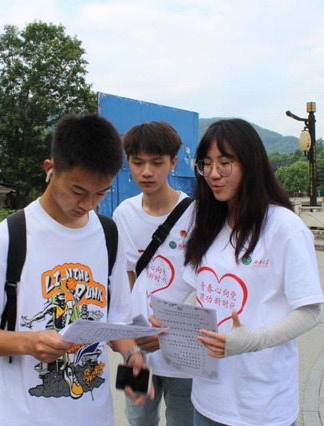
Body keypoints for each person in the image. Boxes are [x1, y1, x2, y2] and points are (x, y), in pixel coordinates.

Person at [0, 113, 148, 426]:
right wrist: (28, 343)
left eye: (100, 193)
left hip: (93, 416)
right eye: (77, 191)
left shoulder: (109, 235)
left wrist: (132, 355)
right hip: (20, 417)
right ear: (50, 169)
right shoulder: (7, 239)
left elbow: (116, 322)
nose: (87, 204)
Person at [182, 118, 324, 426]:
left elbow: (310, 311)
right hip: (206, 397)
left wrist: (254, 340)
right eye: (206, 164)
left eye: (225, 163)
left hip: (262, 405)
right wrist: (175, 324)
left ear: (251, 165)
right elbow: (199, 294)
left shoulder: (284, 228)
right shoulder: (207, 223)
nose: (214, 174)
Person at [112, 121, 195, 426]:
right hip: (137, 346)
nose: (147, 172)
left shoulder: (197, 214)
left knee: (184, 421)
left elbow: (203, 286)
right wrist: (128, 336)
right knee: (137, 419)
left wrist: (172, 329)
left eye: (157, 162)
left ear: (173, 162)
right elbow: (128, 279)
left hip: (183, 347)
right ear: (128, 162)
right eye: (138, 162)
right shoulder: (123, 213)